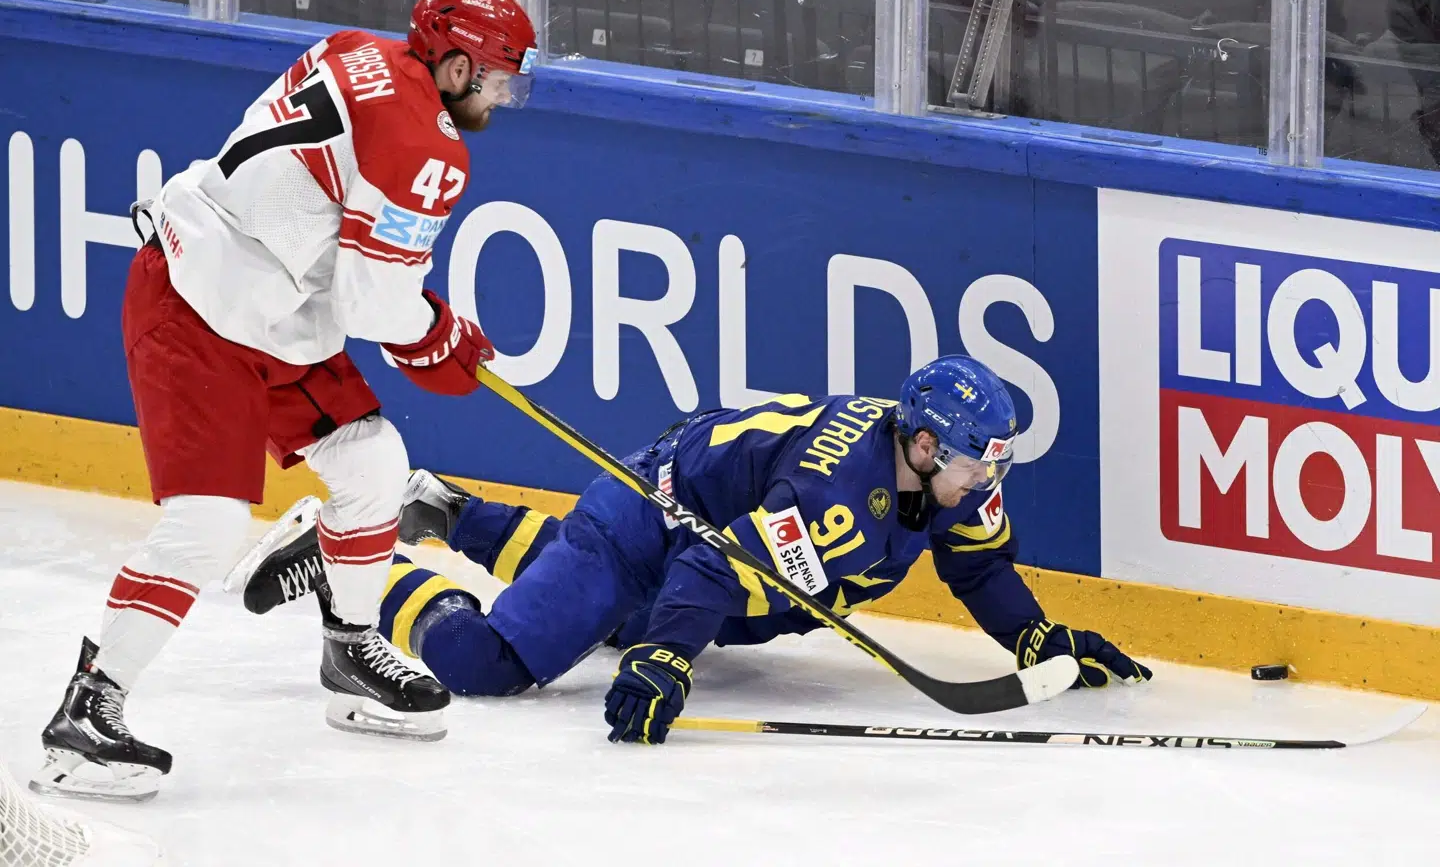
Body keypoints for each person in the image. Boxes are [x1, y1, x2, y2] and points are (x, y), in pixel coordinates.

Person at [31, 0, 537, 803]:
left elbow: (346, 249)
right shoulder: (430, 146)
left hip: (267, 301)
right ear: (452, 65)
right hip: (196, 305)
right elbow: (375, 303)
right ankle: (88, 711)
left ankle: (349, 650)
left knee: (374, 464)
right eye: (496, 76)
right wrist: (437, 336)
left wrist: (425, 316)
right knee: (208, 524)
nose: (504, 95)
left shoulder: (360, 51)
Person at [235, 356, 1151, 745]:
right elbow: (715, 568)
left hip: (694, 537)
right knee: (491, 662)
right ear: (919, 443)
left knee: (603, 606)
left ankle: (439, 507)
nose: (983, 482)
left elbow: (981, 566)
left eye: (993, 464)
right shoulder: (841, 495)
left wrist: (1036, 638)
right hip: (651, 522)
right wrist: (668, 656)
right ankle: (357, 551)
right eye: (968, 461)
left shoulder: (947, 486)